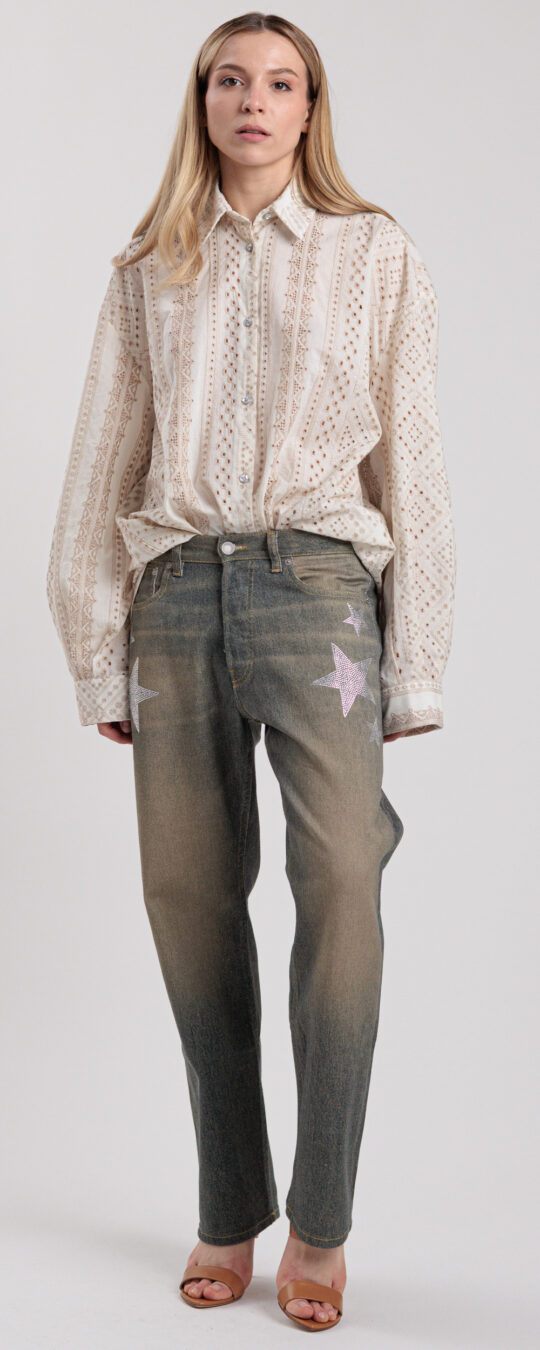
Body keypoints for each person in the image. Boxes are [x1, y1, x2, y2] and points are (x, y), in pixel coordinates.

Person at [46, 11, 456, 1333]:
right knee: (187, 898)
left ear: (310, 106)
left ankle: (320, 1221)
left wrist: (416, 665)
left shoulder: (373, 251)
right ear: (203, 100)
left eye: (281, 82)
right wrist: (98, 653)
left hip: (317, 593)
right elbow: (101, 463)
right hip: (174, 602)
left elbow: (414, 466)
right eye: (231, 79)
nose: (254, 101)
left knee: (340, 885)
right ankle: (231, 1203)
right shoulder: (146, 266)